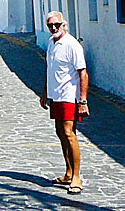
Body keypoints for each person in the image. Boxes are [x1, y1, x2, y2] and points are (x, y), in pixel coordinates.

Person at [39, 11, 89, 195]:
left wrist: (82, 101)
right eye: (50, 25)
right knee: (60, 132)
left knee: (69, 133)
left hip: (69, 96)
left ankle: (76, 177)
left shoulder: (71, 45)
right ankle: (68, 172)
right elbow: (50, 70)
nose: (53, 28)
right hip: (56, 96)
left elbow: (83, 73)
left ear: (64, 25)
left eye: (56, 25)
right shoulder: (51, 44)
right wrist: (45, 92)